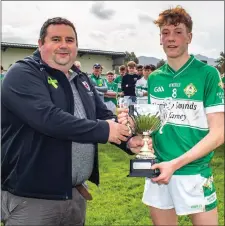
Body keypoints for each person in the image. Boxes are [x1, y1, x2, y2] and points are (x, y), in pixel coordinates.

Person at [1, 17, 148, 226]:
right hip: (32, 198)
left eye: (70, 40)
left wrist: (128, 140)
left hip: (75, 195)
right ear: (40, 43)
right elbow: (48, 119)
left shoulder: (80, 78)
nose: (63, 45)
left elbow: (102, 115)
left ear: (76, 46)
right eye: (56, 39)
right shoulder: (23, 73)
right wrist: (105, 130)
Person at [140, 6, 224, 226]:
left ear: (189, 37)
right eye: (165, 33)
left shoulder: (207, 74)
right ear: (160, 39)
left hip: (194, 172)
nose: (171, 38)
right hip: (158, 171)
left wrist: (176, 163)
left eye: (178, 32)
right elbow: (155, 124)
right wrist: (140, 140)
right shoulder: (155, 78)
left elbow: (219, 133)